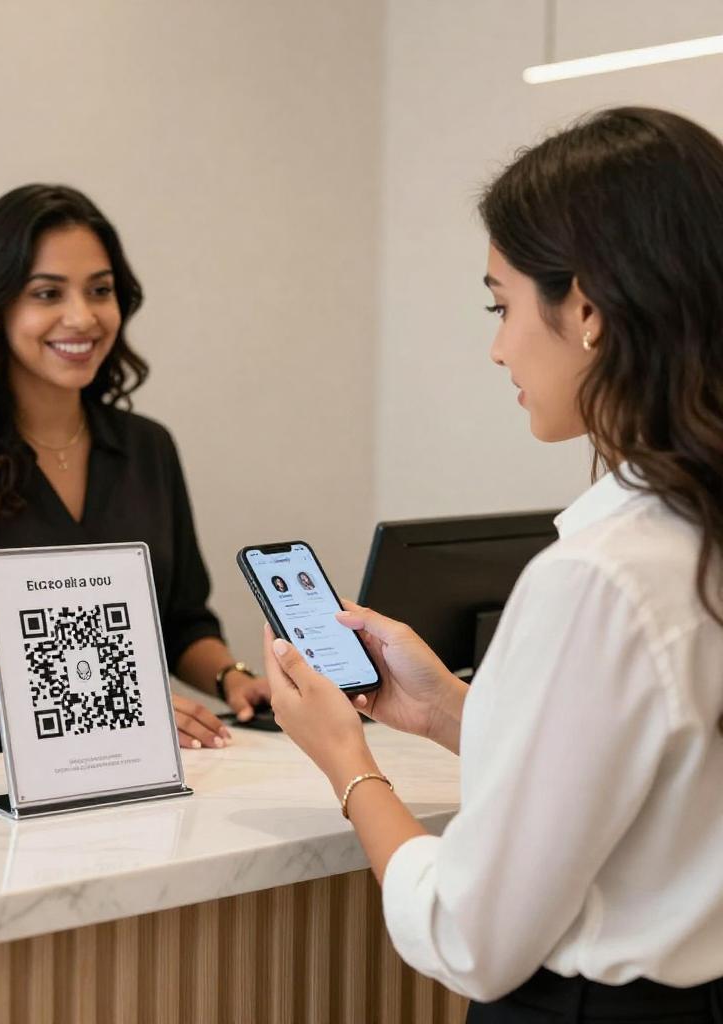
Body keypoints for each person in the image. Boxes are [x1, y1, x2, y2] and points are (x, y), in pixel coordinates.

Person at [263, 108, 723, 1022]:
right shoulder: (690, 537)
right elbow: (655, 779)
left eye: (501, 304)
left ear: (587, 308)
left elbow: (470, 931)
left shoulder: (600, 578)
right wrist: (448, 712)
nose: (498, 345)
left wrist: (348, 764)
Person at [0, 184, 269, 764]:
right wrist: (111, 703)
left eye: (100, 291)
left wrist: (234, 679)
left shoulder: (147, 448)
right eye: (47, 293)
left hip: (127, 769)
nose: (82, 316)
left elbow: (182, 620)